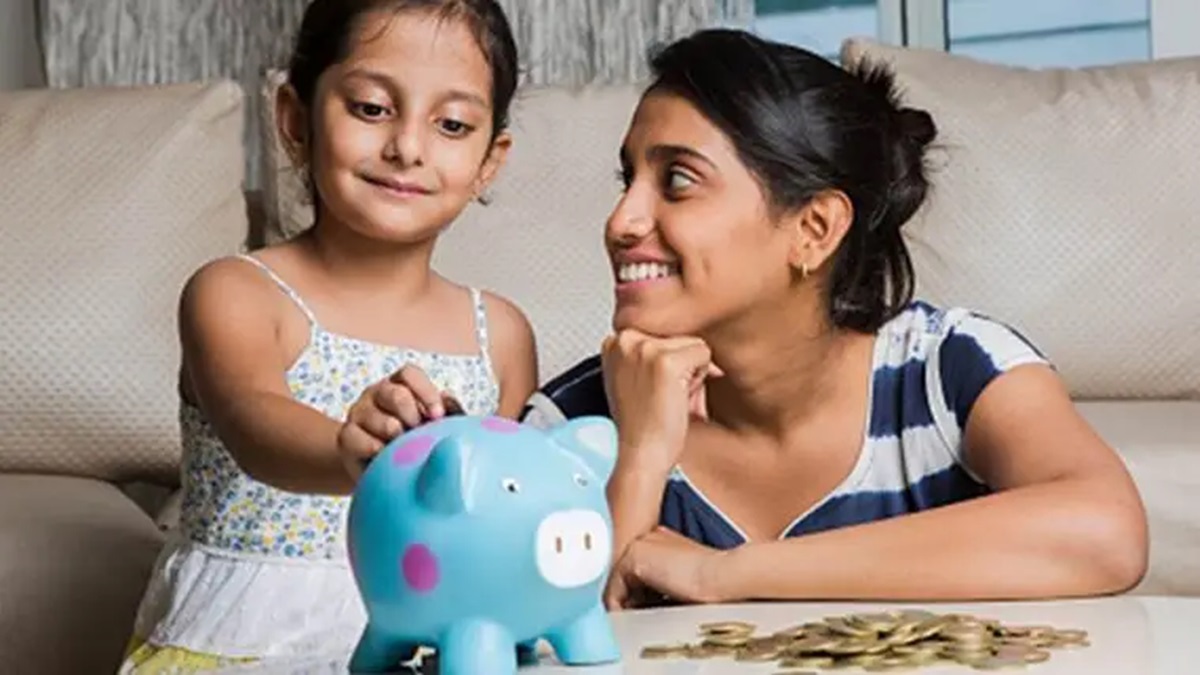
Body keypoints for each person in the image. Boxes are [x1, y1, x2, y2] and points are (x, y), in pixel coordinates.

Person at [521, 28, 1148, 609]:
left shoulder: (949, 369)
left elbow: (1106, 531)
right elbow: (551, 633)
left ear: (814, 230)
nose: (621, 221)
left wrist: (728, 573)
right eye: (628, 179)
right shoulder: (571, 419)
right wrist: (641, 455)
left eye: (678, 181)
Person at [119, 0, 536, 671]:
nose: (407, 147)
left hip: (430, 646)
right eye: (372, 108)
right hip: (242, 646)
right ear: (295, 119)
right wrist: (352, 448)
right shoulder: (235, 293)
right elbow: (257, 424)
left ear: (490, 160)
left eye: (452, 124)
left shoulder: (503, 336)